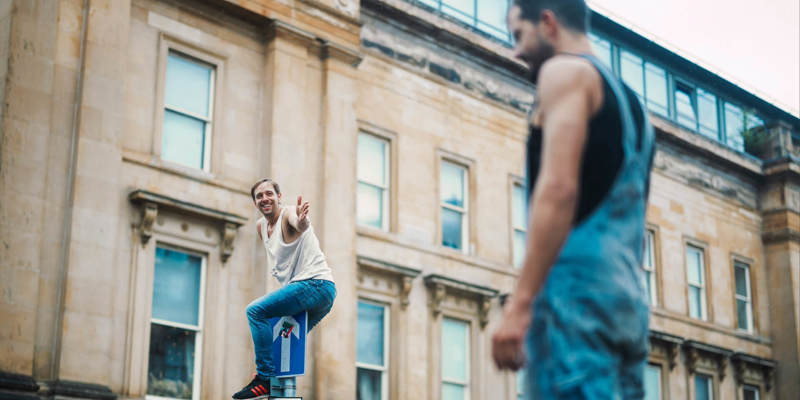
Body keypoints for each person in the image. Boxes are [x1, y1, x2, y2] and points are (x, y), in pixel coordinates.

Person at [491, 0, 655, 398]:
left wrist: (520, 304)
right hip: (625, 307)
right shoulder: (636, 107)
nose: (515, 50)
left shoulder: (564, 73)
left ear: (547, 22)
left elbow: (559, 188)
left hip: (572, 304)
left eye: (518, 34)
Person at [232, 178, 336, 399]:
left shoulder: (288, 214)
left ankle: (264, 380)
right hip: (318, 292)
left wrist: (302, 220)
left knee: (255, 311)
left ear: (279, 197)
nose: (264, 198)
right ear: (255, 203)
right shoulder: (261, 227)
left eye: (269, 193)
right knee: (281, 342)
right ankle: (272, 381)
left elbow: (298, 224)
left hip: (315, 284)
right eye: (259, 196)